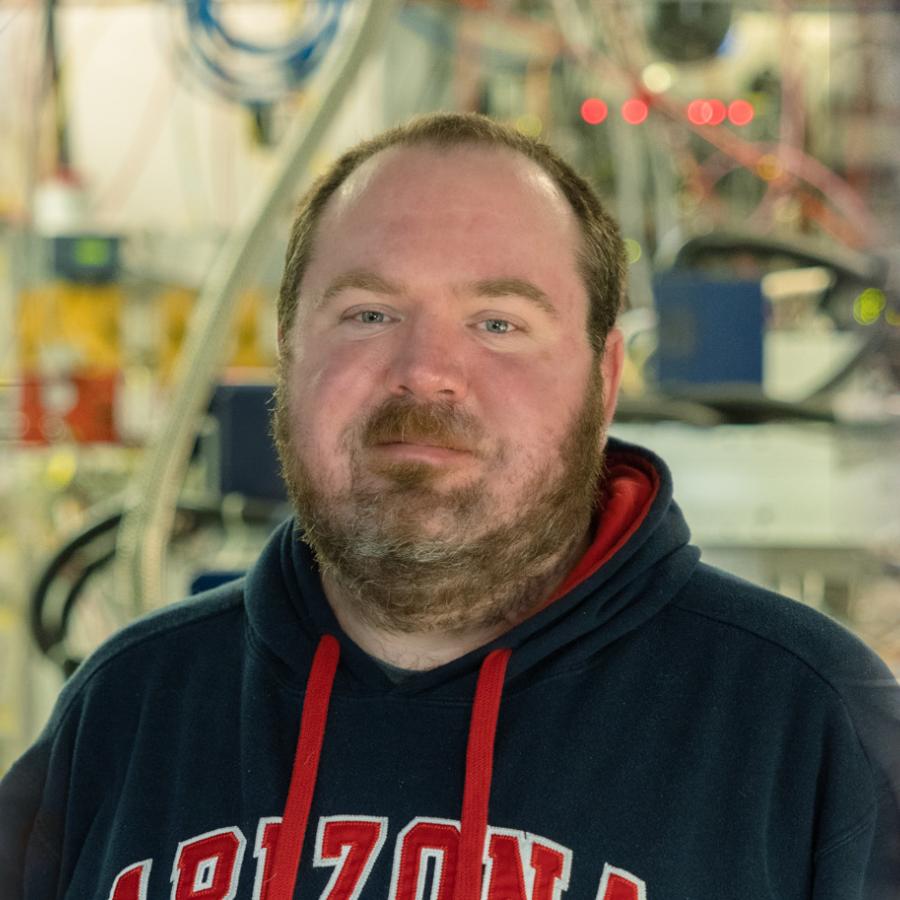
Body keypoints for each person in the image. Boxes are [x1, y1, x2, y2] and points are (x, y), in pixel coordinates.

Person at [1, 112, 898, 900]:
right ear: (288, 356)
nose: (425, 369)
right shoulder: (126, 713)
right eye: (368, 314)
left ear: (606, 377)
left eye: (498, 323)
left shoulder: (812, 729)